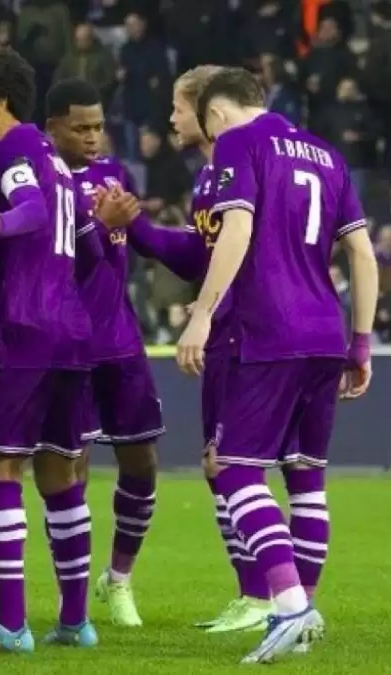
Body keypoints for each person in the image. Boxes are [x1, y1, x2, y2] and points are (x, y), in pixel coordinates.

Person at [181, 66, 377, 664]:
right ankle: (302, 614)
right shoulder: (327, 154)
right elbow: (362, 253)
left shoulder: (238, 142)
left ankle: (289, 608)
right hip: (325, 332)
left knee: (237, 473)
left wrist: (202, 312)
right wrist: (361, 342)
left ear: (216, 113)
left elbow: (237, 228)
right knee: (307, 479)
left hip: (270, 329)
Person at [110, 65, 278, 632]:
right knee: (219, 466)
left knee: (231, 463)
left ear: (207, 111)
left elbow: (239, 245)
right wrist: (135, 225)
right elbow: (195, 256)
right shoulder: (208, 180)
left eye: (179, 108)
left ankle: (267, 596)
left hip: (249, 331)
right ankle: (257, 594)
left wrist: (207, 311)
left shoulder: (240, 166)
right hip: (228, 330)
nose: (171, 119)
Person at [0, 44, 99, 654]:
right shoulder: (56, 159)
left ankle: (12, 624)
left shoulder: (11, 150)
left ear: (0, 100)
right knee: (61, 473)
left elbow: (29, 209)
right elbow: (88, 243)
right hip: (70, 333)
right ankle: (76, 621)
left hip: (23, 332)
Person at [44, 77, 165, 627]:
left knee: (142, 462)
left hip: (121, 342)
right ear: (54, 128)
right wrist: (98, 223)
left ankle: (118, 579)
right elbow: (49, 264)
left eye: (98, 126)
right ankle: (70, 597)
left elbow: (143, 241)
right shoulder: (39, 180)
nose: (93, 137)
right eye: (82, 127)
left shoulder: (115, 175)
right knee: (73, 469)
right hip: (68, 345)